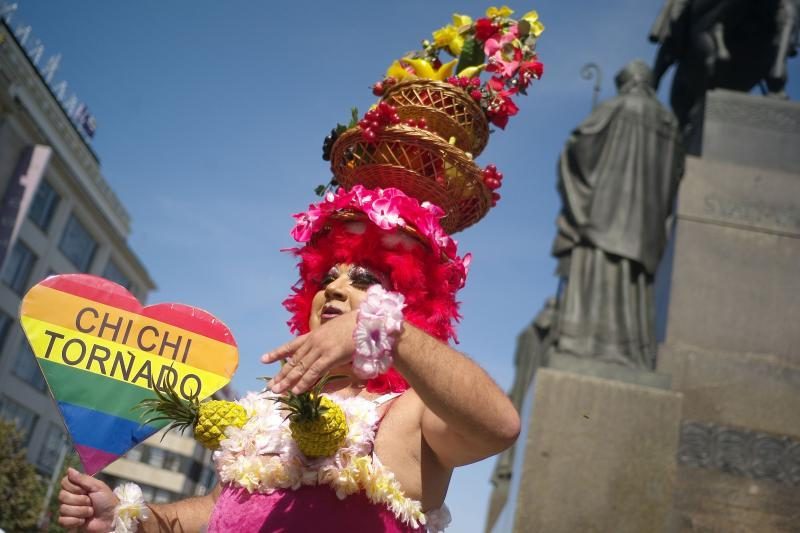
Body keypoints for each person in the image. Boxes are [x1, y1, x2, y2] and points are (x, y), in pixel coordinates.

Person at [57, 186, 521, 532]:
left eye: (364, 279)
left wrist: (388, 329)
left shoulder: (408, 410)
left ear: (407, 307)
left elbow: (498, 426)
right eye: (328, 277)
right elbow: (221, 510)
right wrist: (130, 518)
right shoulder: (267, 410)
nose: (336, 288)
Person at [551, 60, 683, 370]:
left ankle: (583, 345)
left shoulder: (615, 106)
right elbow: (676, 171)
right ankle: (633, 353)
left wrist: (581, 200)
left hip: (604, 215)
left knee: (597, 278)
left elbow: (576, 148)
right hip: (645, 226)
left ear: (628, 82)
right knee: (634, 288)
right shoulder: (668, 121)